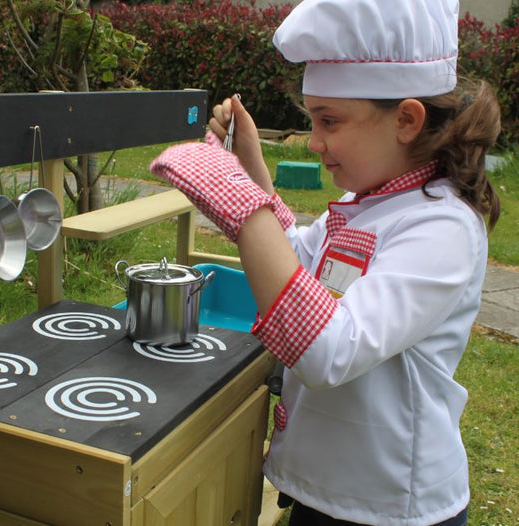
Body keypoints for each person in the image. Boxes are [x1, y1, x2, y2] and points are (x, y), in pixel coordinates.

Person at [148, 0, 502, 524]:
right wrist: (251, 172)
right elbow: (294, 260)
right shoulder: (375, 202)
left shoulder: (442, 227)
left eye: (329, 121)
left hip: (388, 509)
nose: (314, 142)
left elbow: (328, 350)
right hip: (329, 492)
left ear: (407, 119)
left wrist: (243, 204)